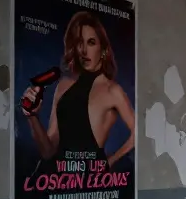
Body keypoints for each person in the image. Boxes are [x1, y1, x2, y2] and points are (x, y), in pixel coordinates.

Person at [19, 11, 135, 169]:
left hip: (87, 183)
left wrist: (111, 161)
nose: (84, 50)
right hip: (52, 181)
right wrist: (32, 115)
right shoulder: (63, 85)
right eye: (80, 42)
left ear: (103, 50)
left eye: (91, 42)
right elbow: (47, 152)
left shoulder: (112, 90)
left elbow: (138, 134)